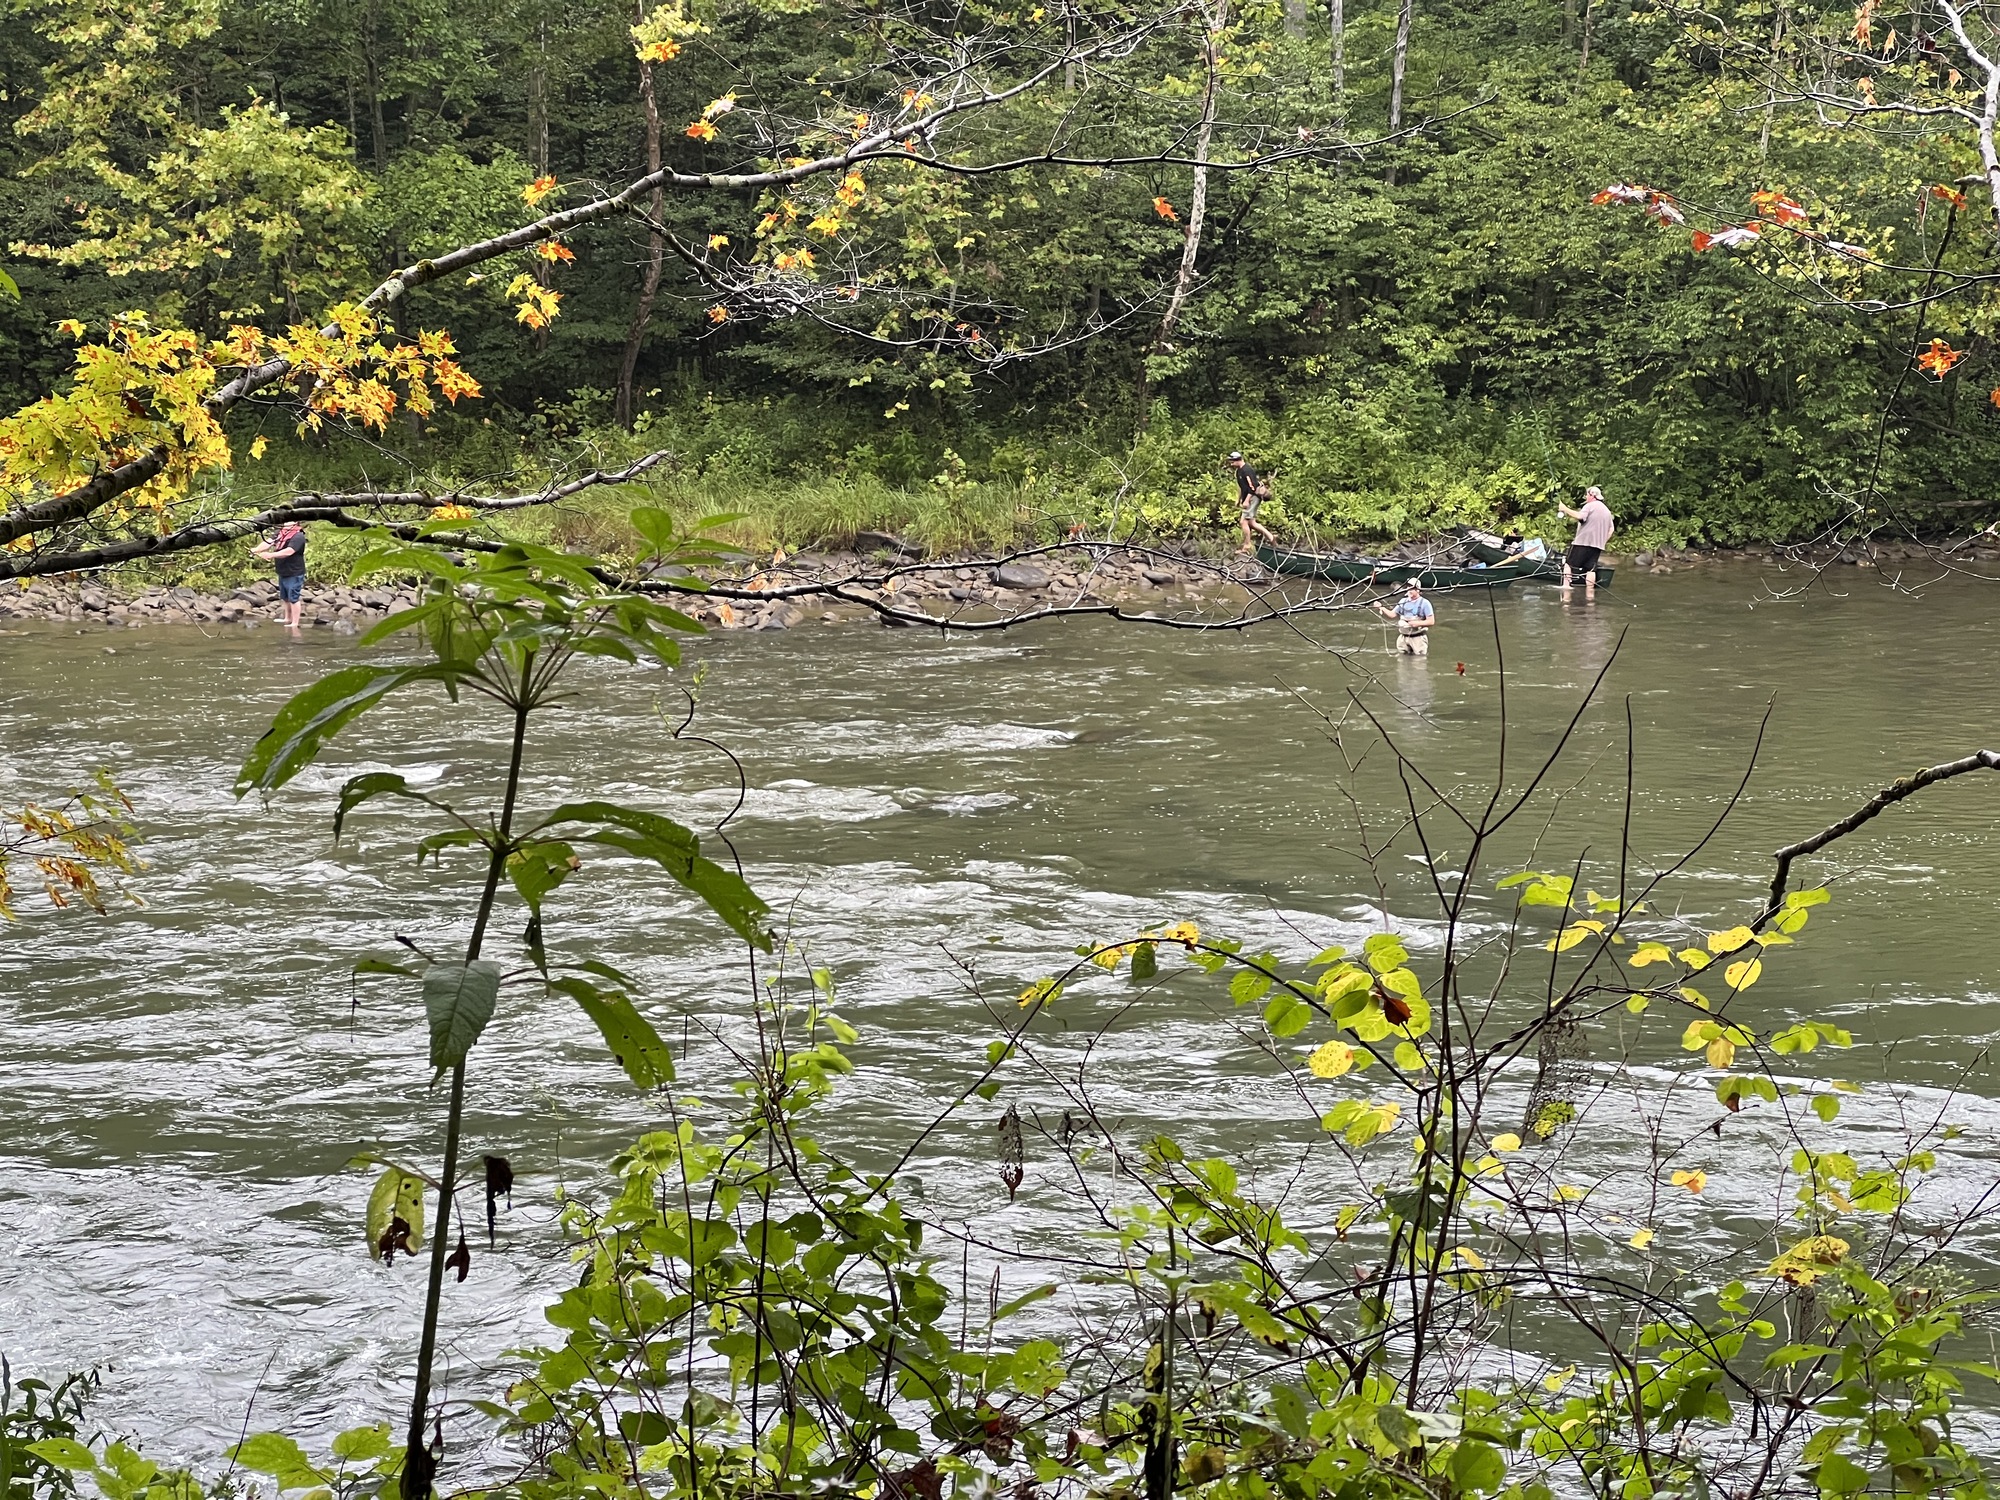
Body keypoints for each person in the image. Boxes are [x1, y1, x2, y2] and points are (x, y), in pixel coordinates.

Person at [1558, 486, 1615, 597]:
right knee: (1591, 569)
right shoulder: (1607, 511)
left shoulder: (1589, 506)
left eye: (1587, 495)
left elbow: (1580, 516)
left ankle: (1566, 590)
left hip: (1582, 542)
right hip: (1598, 545)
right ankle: (1590, 595)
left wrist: (1565, 509)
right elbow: (1611, 529)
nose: (1586, 497)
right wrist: (1603, 541)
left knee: (1569, 564)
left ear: (1592, 495)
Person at [253, 521, 308, 629]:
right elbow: (268, 542)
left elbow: (289, 551)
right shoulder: (280, 532)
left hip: (295, 572)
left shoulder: (298, 536)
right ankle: (287, 618)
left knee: (293, 597)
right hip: (283, 570)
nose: (286, 522)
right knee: (285, 596)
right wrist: (256, 550)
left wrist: (270, 555)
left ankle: (295, 623)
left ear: (296, 522)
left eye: (289, 520)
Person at [1226, 451, 1277, 554]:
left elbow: (1252, 488)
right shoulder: (1239, 471)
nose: (1231, 464)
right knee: (1251, 523)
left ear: (1238, 460)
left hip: (1253, 497)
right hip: (1248, 497)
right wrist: (1238, 499)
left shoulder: (1247, 470)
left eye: (1232, 462)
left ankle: (1247, 545)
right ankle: (1271, 537)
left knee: (1243, 521)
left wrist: (1246, 500)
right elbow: (1241, 486)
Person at [1374, 580, 1434, 656]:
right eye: (1408, 587)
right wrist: (1381, 607)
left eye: (1412, 588)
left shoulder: (1425, 603)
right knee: (1402, 662)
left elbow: (1431, 621)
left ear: (1418, 590)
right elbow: (1392, 615)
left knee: (1419, 662)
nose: (1409, 589)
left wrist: (1418, 623)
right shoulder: (1403, 601)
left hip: (1418, 639)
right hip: (1403, 638)